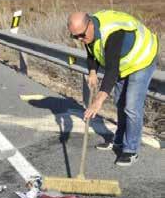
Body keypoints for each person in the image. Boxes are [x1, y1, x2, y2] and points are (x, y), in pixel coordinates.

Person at [67, 10, 159, 166]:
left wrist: (98, 101)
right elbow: (92, 53)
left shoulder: (112, 33)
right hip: (124, 63)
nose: (80, 39)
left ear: (90, 24)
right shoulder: (88, 33)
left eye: (81, 35)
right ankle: (118, 141)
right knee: (120, 103)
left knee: (131, 107)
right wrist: (92, 71)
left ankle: (131, 149)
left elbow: (111, 70)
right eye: (75, 37)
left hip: (142, 59)